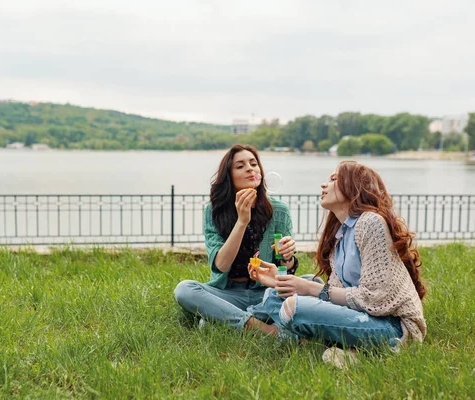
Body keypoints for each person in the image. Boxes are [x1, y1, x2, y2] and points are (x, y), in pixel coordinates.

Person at [249, 160, 427, 361]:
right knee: (274, 295)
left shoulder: (371, 222)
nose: (323, 185)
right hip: (359, 315)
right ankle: (348, 350)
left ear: (355, 187)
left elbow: (375, 299)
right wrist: (281, 281)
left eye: (334, 179)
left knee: (295, 307)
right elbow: (335, 292)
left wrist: (310, 289)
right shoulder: (341, 233)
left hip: (391, 327)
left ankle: (313, 340)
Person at [174, 144, 298, 334]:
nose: (250, 168)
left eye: (254, 164)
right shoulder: (214, 212)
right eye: (240, 166)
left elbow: (285, 272)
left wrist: (287, 258)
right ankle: (264, 328)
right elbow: (221, 266)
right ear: (229, 177)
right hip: (228, 292)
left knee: (311, 283)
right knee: (185, 290)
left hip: (266, 293)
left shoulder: (279, 211)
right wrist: (241, 222)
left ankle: (223, 317)